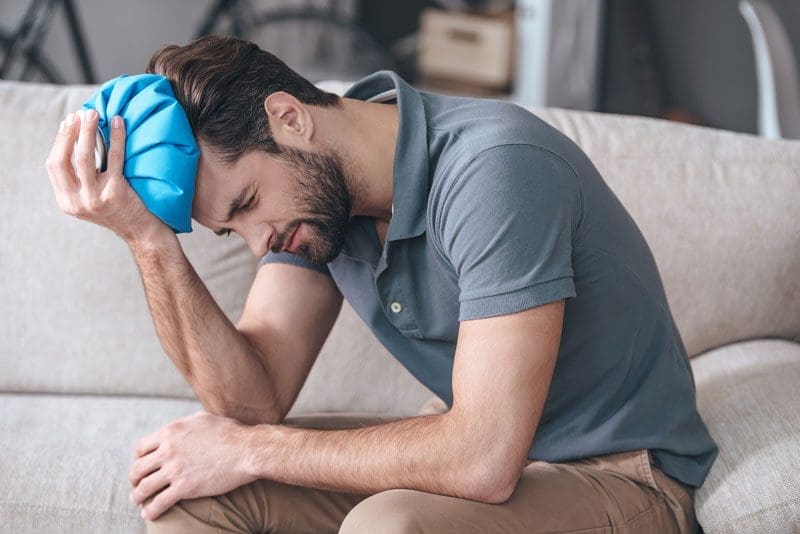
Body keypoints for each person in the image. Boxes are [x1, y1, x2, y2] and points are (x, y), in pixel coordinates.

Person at [44, 34, 718, 533]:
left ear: (290, 117)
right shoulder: (324, 208)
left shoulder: (494, 171)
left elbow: (482, 459)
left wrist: (252, 449)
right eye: (230, 230)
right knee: (189, 495)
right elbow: (250, 405)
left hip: (619, 473)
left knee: (387, 528)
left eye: (247, 203)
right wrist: (148, 240)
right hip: (491, 468)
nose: (258, 243)